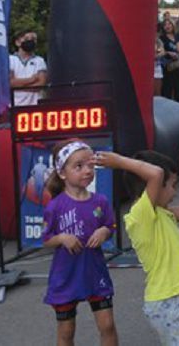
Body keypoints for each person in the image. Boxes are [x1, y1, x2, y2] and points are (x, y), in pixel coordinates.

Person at [96, 146, 179, 345]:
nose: (174, 192)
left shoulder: (162, 213)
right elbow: (156, 174)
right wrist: (120, 162)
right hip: (169, 298)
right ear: (154, 187)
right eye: (172, 185)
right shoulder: (140, 216)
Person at [41, 140, 117, 346]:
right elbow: (46, 238)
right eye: (79, 166)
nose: (87, 171)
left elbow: (111, 226)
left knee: (108, 325)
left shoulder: (100, 201)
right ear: (62, 173)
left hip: (95, 271)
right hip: (66, 276)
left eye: (90, 165)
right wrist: (62, 238)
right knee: (66, 331)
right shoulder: (55, 206)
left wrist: (104, 231)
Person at [9, 29, 48, 107]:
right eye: (26, 39)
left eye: (33, 39)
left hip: (36, 106)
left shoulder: (40, 61)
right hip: (14, 106)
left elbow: (41, 84)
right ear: (17, 42)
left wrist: (18, 86)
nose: (30, 41)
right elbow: (10, 83)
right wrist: (32, 79)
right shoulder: (9, 59)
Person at [158, 19, 179, 101]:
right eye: (165, 25)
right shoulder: (161, 38)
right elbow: (159, 51)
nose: (167, 26)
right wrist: (168, 53)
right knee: (167, 91)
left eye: (169, 24)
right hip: (168, 68)